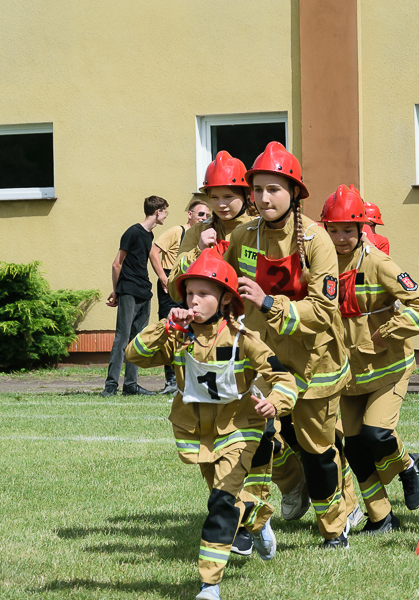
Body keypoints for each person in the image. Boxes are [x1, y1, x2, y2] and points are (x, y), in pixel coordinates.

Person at [125, 249, 297, 600]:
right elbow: (135, 355)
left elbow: (284, 378)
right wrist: (165, 326)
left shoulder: (242, 337)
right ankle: (257, 517)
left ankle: (209, 586)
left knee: (219, 503)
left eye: (203, 293)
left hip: (241, 429)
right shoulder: (177, 335)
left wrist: (275, 402)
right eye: (189, 293)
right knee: (228, 501)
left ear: (225, 299)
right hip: (199, 434)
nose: (193, 300)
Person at [219, 141, 353, 549]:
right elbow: (224, 285)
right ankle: (255, 521)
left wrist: (268, 303)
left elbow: (323, 311)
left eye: (273, 189)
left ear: (294, 192)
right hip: (266, 362)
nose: (263, 198)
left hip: (316, 363)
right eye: (257, 189)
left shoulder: (316, 240)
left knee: (317, 451)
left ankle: (335, 528)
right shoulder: (244, 234)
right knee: (252, 439)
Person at [321, 185, 419, 533]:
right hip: (349, 375)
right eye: (334, 230)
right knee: (354, 448)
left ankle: (408, 468)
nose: (341, 238)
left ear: (361, 229)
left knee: (377, 433)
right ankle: (381, 517)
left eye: (348, 230)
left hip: (388, 368)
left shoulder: (378, 263)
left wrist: (388, 331)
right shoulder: (320, 263)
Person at [101, 195, 168, 397]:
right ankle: (111, 386)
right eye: (165, 211)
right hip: (129, 290)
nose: (166, 215)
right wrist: (116, 290)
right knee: (122, 338)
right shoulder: (132, 232)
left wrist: (162, 279)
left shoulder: (149, 235)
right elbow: (117, 264)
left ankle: (130, 385)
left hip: (144, 291)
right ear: (157, 211)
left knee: (137, 339)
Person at [168, 151, 257, 293]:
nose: (221, 204)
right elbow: (174, 290)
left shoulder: (259, 230)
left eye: (228, 196)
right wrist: (198, 251)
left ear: (246, 195)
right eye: (214, 197)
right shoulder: (197, 231)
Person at [149, 198, 209, 394]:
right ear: (190, 214)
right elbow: (153, 251)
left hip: (191, 284)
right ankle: (171, 380)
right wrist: (163, 277)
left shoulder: (207, 235)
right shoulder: (177, 231)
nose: (204, 218)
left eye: (208, 215)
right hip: (171, 282)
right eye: (201, 214)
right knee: (171, 328)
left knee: (190, 328)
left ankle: (189, 376)